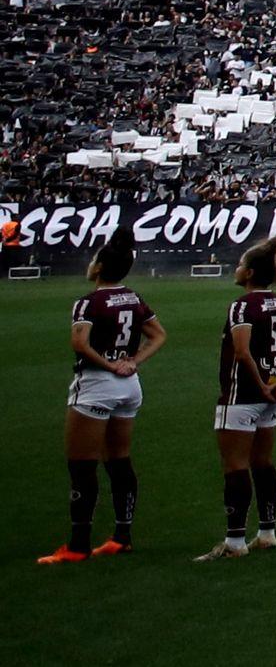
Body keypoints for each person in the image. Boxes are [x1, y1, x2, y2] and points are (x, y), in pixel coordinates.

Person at [45, 231, 160, 563]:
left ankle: (78, 545)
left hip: (97, 384)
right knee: (119, 459)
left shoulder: (89, 302)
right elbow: (159, 335)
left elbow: (80, 343)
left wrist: (109, 364)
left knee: (82, 464)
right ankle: (121, 535)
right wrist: (133, 361)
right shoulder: (133, 299)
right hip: (129, 386)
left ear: (99, 267)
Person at [199, 234, 276, 561]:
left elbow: (241, 352)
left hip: (242, 395)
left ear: (250, 273)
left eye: (241, 264)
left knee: (235, 465)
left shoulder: (242, 305)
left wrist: (263, 386)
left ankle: (234, 541)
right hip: (271, 396)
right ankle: (267, 532)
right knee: (263, 462)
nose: (237, 269)